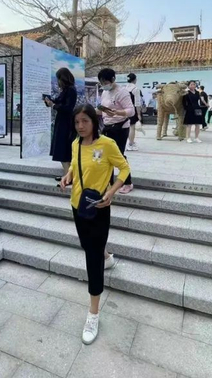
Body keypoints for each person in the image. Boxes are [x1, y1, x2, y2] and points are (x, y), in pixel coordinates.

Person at [60, 104, 130, 344]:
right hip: (77, 205)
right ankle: (107, 256)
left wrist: (111, 192)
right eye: (77, 122)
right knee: (88, 245)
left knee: (91, 257)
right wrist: (68, 176)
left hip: (99, 208)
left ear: (93, 121)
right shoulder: (76, 144)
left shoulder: (107, 144)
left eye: (85, 121)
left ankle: (93, 314)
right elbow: (74, 165)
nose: (80, 126)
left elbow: (124, 168)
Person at [97, 68, 135, 194]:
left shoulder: (122, 92)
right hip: (107, 127)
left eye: (105, 82)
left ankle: (128, 183)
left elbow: (131, 111)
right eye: (102, 83)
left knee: (118, 155)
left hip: (120, 127)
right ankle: (109, 182)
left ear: (113, 79)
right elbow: (103, 109)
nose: (104, 85)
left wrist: (117, 112)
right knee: (105, 155)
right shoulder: (105, 92)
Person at [45, 68, 77, 184]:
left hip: (66, 123)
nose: (57, 82)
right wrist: (50, 101)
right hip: (62, 122)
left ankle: (68, 178)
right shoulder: (66, 90)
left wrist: (53, 105)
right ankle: (67, 175)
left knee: (63, 150)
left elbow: (68, 108)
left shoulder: (71, 90)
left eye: (58, 79)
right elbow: (59, 101)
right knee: (63, 150)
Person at [125, 73, 144, 151]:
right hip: (133, 110)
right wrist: (139, 114)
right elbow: (137, 103)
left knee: (127, 127)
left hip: (125, 110)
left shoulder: (124, 88)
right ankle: (130, 144)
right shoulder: (135, 89)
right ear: (135, 80)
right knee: (132, 127)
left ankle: (129, 142)